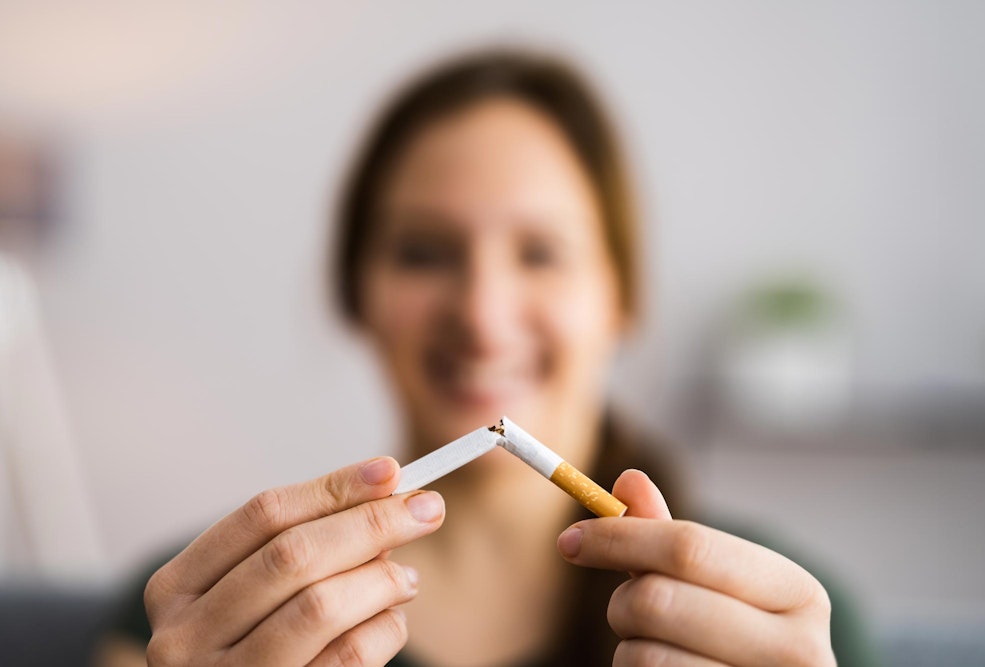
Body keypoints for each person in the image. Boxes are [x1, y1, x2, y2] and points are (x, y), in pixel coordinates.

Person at [95, 49, 874, 666]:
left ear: (620, 294)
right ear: (355, 291)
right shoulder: (210, 608)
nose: (482, 313)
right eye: (425, 252)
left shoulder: (775, 619)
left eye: (541, 252)